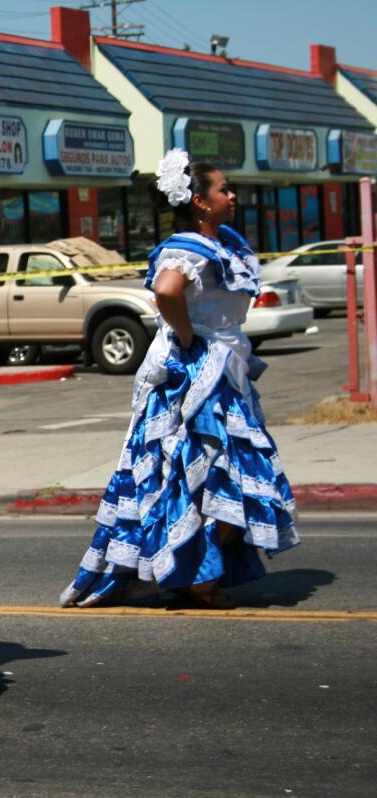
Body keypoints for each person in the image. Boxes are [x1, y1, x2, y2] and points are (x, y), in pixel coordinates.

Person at [59, 149, 299, 610]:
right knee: (208, 472)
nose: (233, 194)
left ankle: (196, 570)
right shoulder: (186, 247)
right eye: (224, 188)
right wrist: (189, 339)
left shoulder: (220, 242)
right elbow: (166, 291)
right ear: (201, 201)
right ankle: (195, 577)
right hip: (194, 374)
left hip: (222, 369)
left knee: (231, 471)